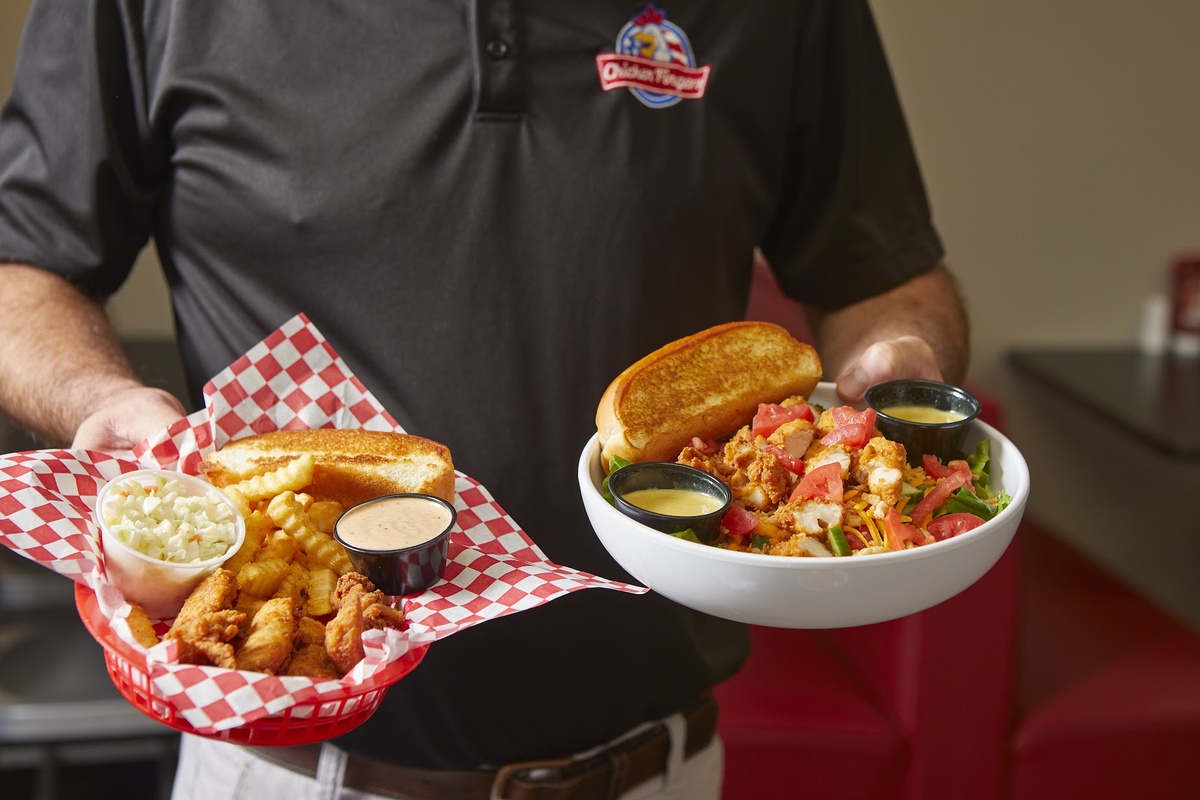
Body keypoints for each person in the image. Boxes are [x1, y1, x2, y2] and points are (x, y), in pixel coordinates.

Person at [0, 2, 968, 798]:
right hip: (289, 772)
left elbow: (883, 275)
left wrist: (901, 360)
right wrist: (104, 402)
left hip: (659, 768)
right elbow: (22, 268)